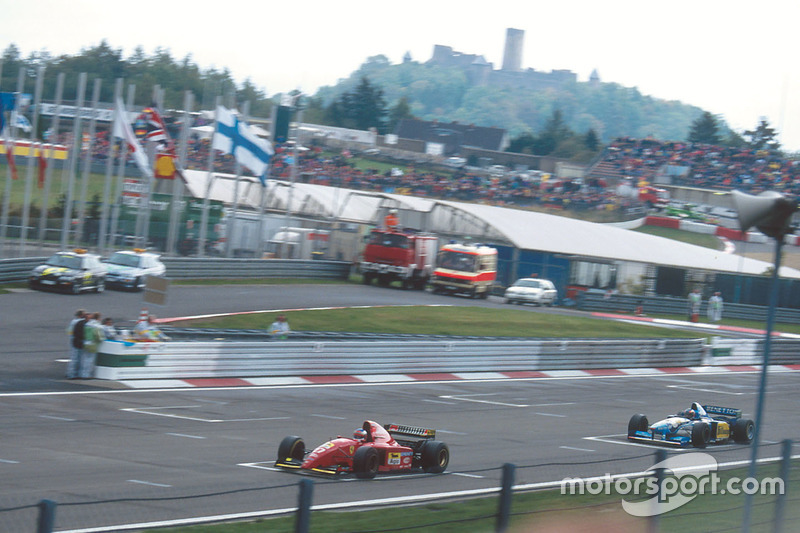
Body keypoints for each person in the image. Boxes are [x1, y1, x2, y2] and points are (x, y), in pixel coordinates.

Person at [81, 312, 105, 378]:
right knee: (90, 360)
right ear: (98, 318)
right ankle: (88, 375)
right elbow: (98, 336)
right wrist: (102, 339)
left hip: (85, 342)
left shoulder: (87, 324)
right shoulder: (97, 326)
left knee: (85, 359)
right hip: (93, 344)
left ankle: (83, 374)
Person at [66, 309, 86, 379]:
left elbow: (69, 331)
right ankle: (72, 374)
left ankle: (72, 373)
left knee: (75, 358)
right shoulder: (78, 322)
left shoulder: (73, 322)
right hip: (77, 340)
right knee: (76, 358)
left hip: (74, 339)